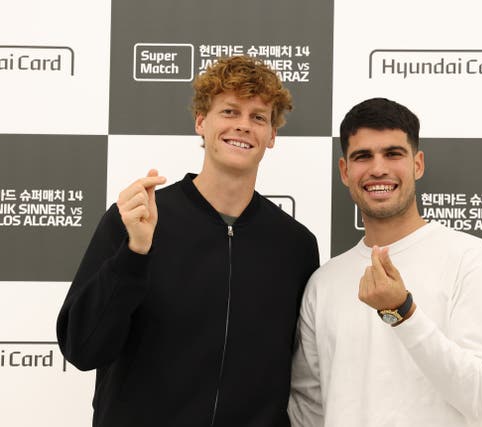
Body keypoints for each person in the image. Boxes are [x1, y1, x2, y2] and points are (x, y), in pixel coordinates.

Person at [57, 55, 319, 427]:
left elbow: (302, 375)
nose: (243, 125)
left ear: (272, 135)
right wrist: (134, 254)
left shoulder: (295, 246)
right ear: (201, 122)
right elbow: (83, 349)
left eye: (258, 117)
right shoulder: (136, 221)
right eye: (229, 111)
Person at [288, 98, 482, 427]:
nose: (378, 168)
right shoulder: (324, 282)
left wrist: (402, 312)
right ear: (345, 171)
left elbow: (480, 397)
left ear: (418, 164)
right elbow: (309, 410)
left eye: (393, 154)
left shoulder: (472, 259)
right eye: (363, 156)